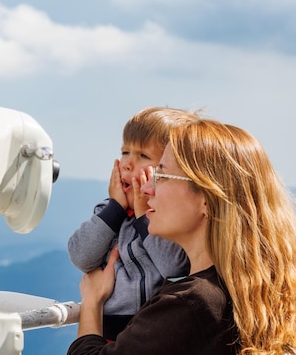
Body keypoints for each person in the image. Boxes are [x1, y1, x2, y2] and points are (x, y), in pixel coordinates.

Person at [67, 118, 296, 355]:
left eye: (162, 176)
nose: (145, 189)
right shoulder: (249, 289)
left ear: (207, 199)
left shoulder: (189, 305)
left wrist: (92, 304)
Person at [67, 107, 196, 340]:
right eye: (125, 152)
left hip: (152, 330)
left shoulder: (167, 218)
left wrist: (142, 214)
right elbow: (81, 256)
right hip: (105, 329)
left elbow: (173, 266)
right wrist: (115, 209)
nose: (127, 163)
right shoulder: (108, 212)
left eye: (143, 156)